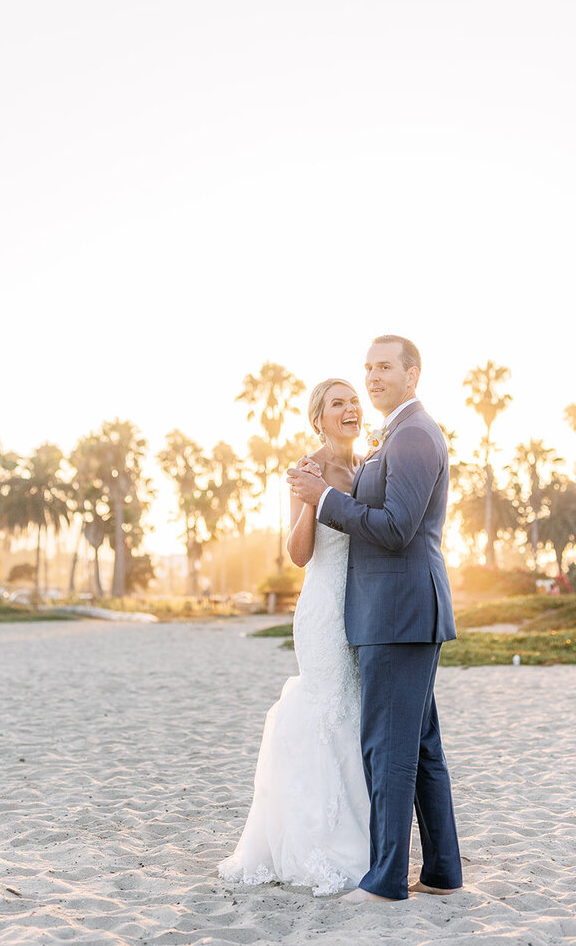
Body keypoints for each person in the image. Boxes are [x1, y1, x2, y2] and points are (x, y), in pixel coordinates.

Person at [288, 335, 462, 903]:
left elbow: (394, 527)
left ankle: (386, 881)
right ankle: (441, 871)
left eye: (384, 367)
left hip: (399, 614)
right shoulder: (396, 434)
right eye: (368, 367)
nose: (373, 377)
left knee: (388, 748)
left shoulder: (412, 434)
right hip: (397, 613)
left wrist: (324, 497)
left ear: (413, 375)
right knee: (421, 746)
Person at [218, 379, 370, 895]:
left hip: (367, 609)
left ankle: (367, 839)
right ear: (319, 419)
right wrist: (311, 500)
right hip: (324, 610)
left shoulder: (373, 465)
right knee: (331, 709)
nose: (349, 409)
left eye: (354, 401)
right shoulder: (307, 468)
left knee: (358, 716)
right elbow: (299, 555)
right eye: (337, 403)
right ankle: (323, 844)